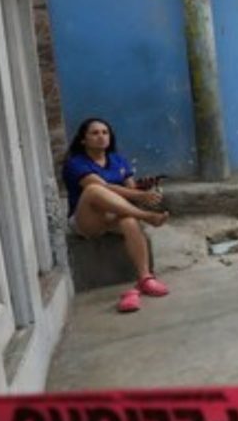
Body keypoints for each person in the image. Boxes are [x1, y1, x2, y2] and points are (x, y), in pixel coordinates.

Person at [62, 117, 170, 313]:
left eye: (105, 132)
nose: (101, 137)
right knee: (94, 190)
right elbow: (103, 187)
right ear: (83, 139)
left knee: (128, 220)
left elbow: (131, 190)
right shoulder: (75, 163)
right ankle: (147, 217)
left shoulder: (118, 160)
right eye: (95, 133)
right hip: (87, 220)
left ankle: (145, 278)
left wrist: (144, 190)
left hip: (114, 216)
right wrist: (140, 197)